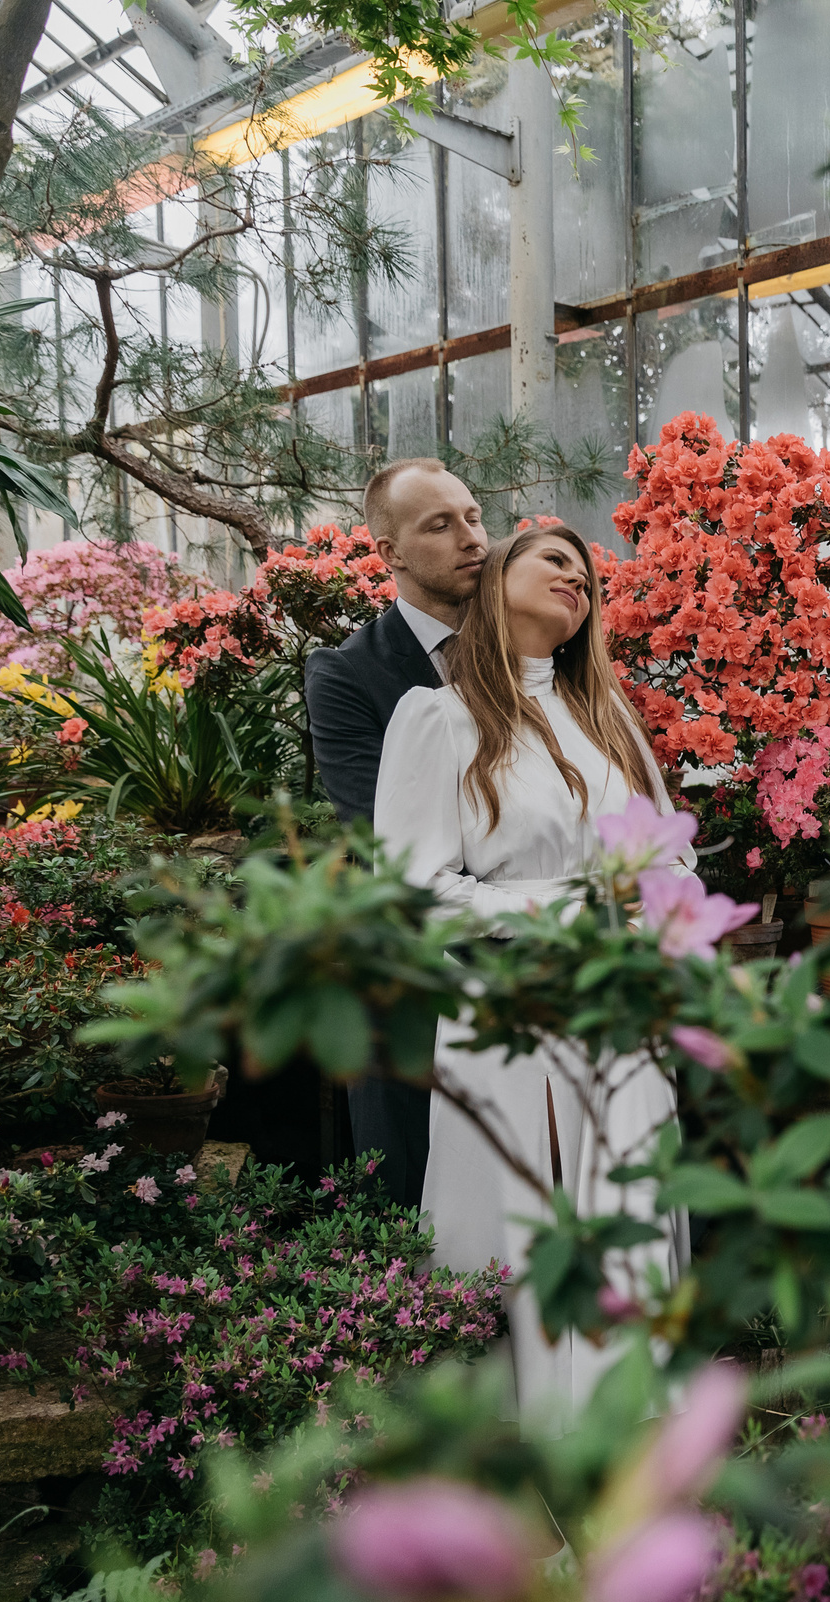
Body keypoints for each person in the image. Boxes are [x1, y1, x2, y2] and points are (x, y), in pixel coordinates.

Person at [371, 520, 689, 1423]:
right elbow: (416, 892)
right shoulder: (440, 718)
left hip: (622, 1004)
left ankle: (628, 1429)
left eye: (587, 575)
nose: (576, 578)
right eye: (555, 559)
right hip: (516, 1005)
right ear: (494, 580)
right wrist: (569, 911)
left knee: (625, 1209)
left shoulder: (608, 718)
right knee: (530, 1216)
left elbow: (670, 854)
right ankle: (528, 1441)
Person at [305, 458, 488, 1208]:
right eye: (440, 525)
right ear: (391, 552)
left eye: (473, 516)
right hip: (412, 955)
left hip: (537, 947)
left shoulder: (532, 651)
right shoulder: (346, 673)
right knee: (410, 1186)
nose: (471, 537)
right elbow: (378, 830)